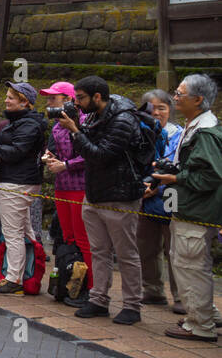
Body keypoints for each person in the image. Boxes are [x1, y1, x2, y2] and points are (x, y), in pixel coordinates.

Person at [57, 76, 144, 325]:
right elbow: (88, 148)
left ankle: (132, 305)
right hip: (94, 193)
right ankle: (98, 299)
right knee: (98, 251)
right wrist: (77, 127)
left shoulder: (123, 119)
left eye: (81, 98)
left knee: (126, 253)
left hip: (121, 195)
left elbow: (101, 155)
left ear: (97, 97)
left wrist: (75, 131)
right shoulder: (94, 115)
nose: (77, 103)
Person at [154, 74, 221, 342]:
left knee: (190, 265)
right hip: (190, 208)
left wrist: (176, 178)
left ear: (198, 99)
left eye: (180, 93)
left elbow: (211, 176)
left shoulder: (206, 133)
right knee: (191, 263)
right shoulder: (198, 125)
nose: (175, 96)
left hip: (195, 210)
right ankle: (205, 313)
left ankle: (200, 324)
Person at [0, 82, 45, 295]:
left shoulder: (29, 124)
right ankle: (28, 274)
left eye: (11, 97)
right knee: (25, 231)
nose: (6, 100)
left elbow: (18, 150)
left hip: (17, 182)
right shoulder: (24, 122)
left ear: (24, 102)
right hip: (17, 180)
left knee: (12, 232)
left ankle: (14, 278)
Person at [39, 81, 92, 304]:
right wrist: (50, 158)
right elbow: (57, 152)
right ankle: (69, 281)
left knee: (83, 239)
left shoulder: (84, 122)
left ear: (69, 100)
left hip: (80, 186)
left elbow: (89, 153)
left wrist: (66, 165)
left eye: (54, 98)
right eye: (49, 98)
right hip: (62, 186)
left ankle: (91, 287)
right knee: (68, 237)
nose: (49, 102)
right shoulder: (57, 125)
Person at [137, 89, 183, 312]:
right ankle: (152, 290)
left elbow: (183, 168)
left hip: (171, 196)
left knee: (173, 248)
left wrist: (158, 186)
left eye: (161, 108)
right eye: (151, 108)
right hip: (144, 197)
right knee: (146, 246)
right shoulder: (138, 133)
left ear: (169, 110)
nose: (156, 113)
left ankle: (181, 297)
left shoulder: (180, 135)